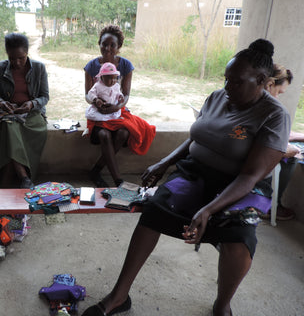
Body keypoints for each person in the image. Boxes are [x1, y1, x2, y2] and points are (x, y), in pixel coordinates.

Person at [82, 39, 290, 316]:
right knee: (154, 210)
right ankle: (119, 296)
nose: (227, 88)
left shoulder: (274, 116)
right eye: (226, 79)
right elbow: (196, 136)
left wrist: (209, 209)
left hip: (240, 185)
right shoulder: (218, 97)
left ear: (262, 80)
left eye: (236, 82)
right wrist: (164, 162)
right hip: (196, 172)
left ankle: (222, 304)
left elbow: (251, 176)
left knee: (239, 238)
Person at [84, 25, 155, 187]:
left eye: (112, 45)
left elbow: (126, 94)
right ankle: (118, 181)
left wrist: (116, 107)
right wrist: (97, 102)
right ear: (99, 43)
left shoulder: (125, 66)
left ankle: (95, 170)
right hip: (97, 112)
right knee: (104, 134)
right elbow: (88, 94)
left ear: (119, 47)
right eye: (104, 44)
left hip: (117, 111)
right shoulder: (91, 66)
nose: (107, 48)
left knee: (123, 133)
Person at [0, 33, 49, 188]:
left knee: (11, 135)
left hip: (32, 114)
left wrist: (31, 104)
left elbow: (44, 97)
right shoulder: (0, 68)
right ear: (7, 54)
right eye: (12, 58)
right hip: (8, 113)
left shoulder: (39, 68)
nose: (16, 62)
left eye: (21, 57)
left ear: (27, 52)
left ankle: (7, 180)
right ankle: (24, 177)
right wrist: (2, 103)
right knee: (9, 126)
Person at [264, 64, 304, 220]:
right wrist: (291, 149)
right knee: (292, 157)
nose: (277, 97)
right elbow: (271, 147)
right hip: (252, 162)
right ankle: (271, 205)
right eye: (278, 92)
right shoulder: (270, 109)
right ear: (270, 84)